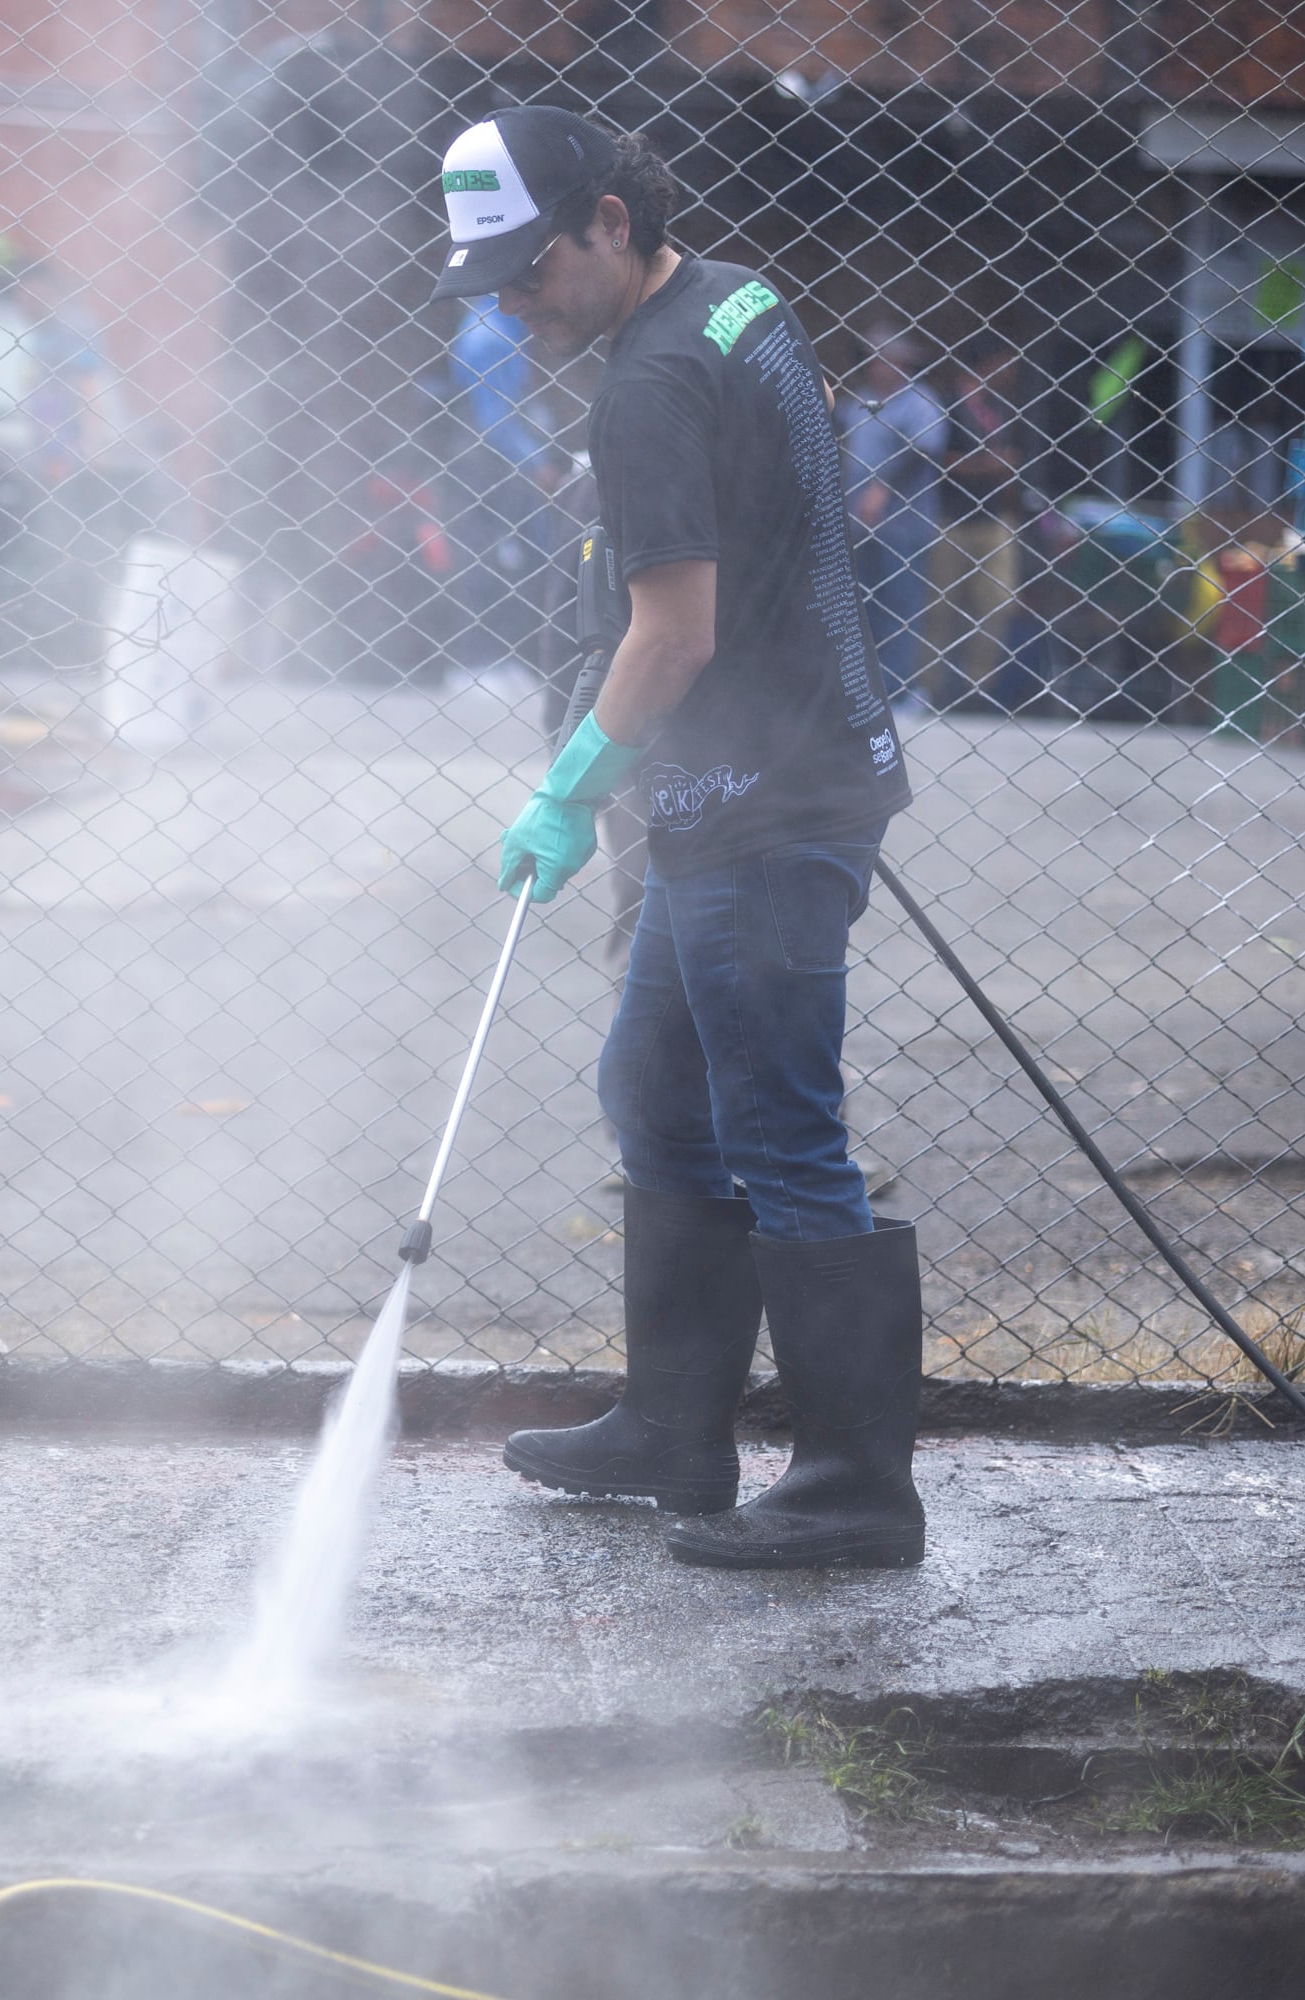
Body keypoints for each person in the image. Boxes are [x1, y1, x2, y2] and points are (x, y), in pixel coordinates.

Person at [425, 107, 922, 1568]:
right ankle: (673, 1430)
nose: (514, 301)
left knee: (782, 1131)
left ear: (612, 220)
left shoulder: (647, 384)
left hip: (765, 813)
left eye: (531, 266)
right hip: (772, 786)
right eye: (491, 276)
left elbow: (676, 634)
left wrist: (572, 786)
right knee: (655, 1089)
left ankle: (854, 1495)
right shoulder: (737, 294)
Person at [921, 334, 1031, 710]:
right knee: (939, 605)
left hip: (994, 516)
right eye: (1004, 362)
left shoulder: (1001, 408)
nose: (1011, 371)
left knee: (1000, 600)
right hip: (951, 517)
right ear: (986, 364)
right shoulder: (948, 403)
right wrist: (989, 465)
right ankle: (929, 685)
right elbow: (938, 459)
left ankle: (977, 684)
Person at [840, 328, 947, 710]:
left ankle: (898, 690)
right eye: (873, 358)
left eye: (886, 358)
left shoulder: (918, 401)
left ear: (904, 363)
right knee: (863, 607)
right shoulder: (860, 402)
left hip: (904, 525)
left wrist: (881, 488)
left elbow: (925, 449)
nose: (878, 366)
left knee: (901, 607)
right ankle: (865, 689)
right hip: (859, 523)